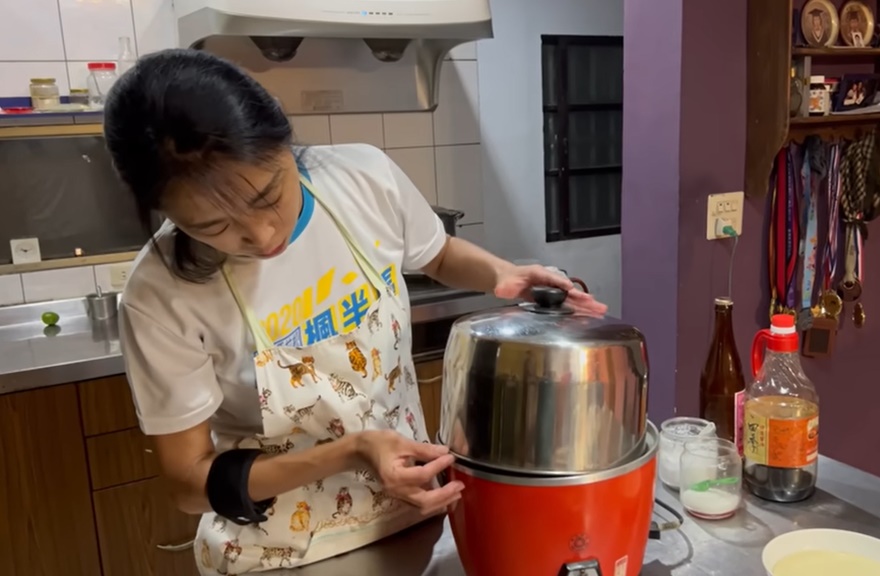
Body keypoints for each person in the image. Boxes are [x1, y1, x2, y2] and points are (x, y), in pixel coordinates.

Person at [105, 48, 606, 575]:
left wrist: (501, 274)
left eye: (268, 196)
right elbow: (189, 483)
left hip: (420, 512)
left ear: (282, 140)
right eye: (212, 227)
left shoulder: (359, 178)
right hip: (281, 552)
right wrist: (351, 452)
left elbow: (434, 253)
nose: (261, 235)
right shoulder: (158, 293)